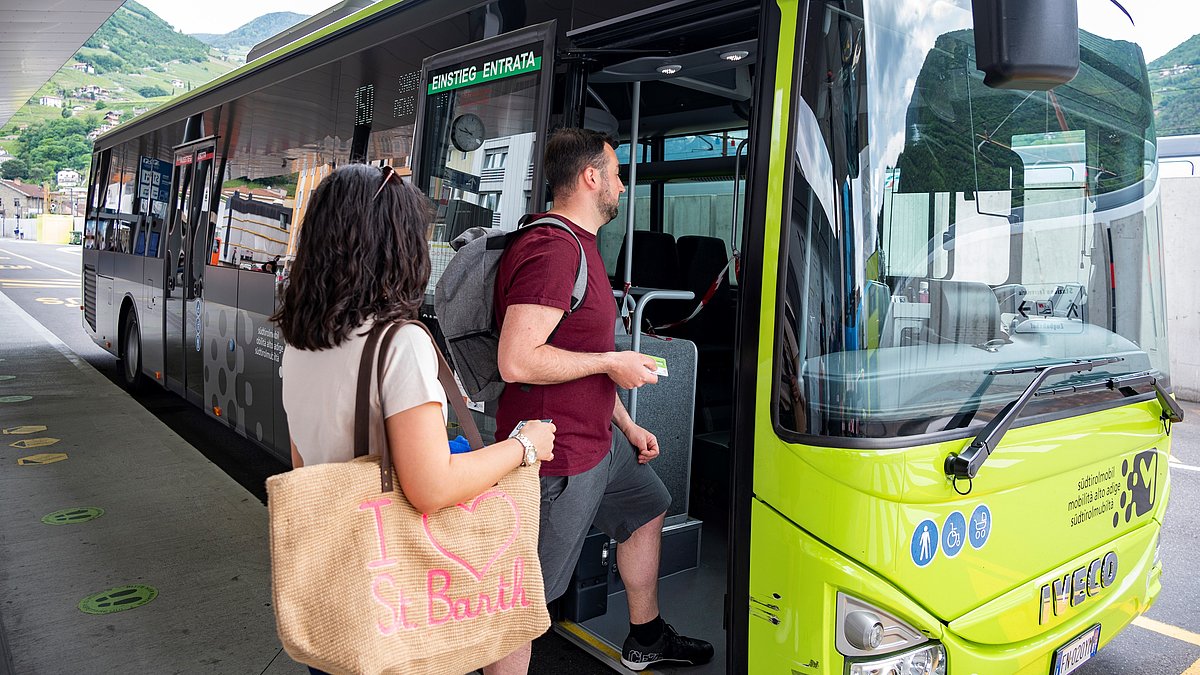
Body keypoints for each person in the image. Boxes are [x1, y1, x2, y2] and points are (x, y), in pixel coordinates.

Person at [271, 164, 556, 675]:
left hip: (341, 599)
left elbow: (306, 467)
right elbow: (429, 487)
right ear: (399, 245)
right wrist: (524, 445)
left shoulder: (301, 343)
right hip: (391, 608)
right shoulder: (398, 344)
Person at [487, 128, 714, 673]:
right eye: (615, 174)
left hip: (600, 443)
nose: (621, 185)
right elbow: (517, 360)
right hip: (555, 459)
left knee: (647, 507)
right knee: (523, 603)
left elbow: (576, 351)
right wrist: (612, 364)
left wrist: (626, 426)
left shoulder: (582, 245)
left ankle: (647, 636)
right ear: (591, 178)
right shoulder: (553, 250)